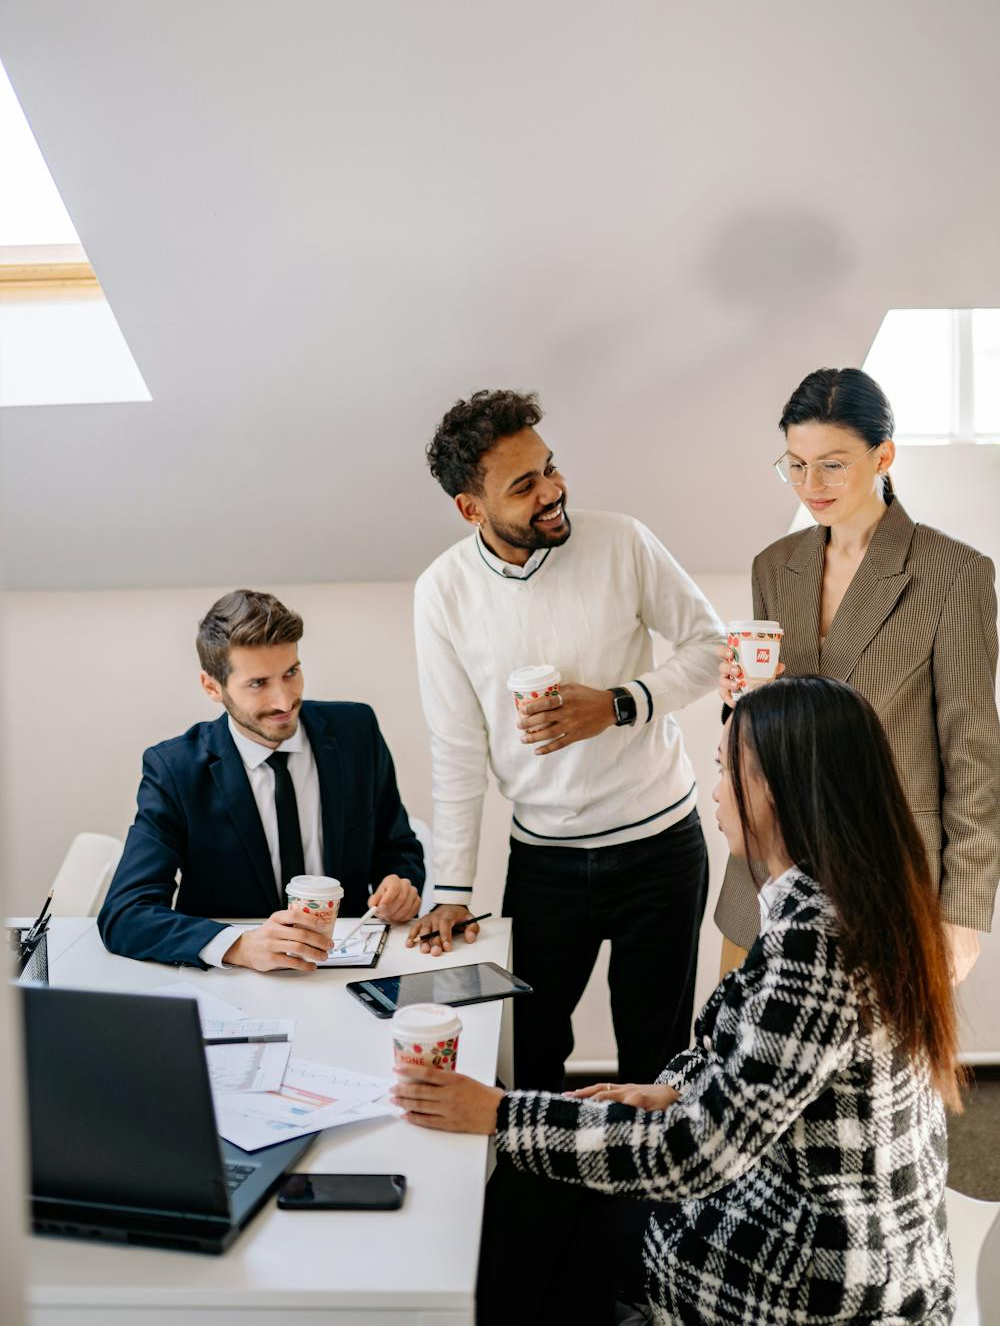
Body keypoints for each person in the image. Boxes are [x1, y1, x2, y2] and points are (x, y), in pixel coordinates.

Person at [393, 677, 961, 1326]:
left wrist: (500, 1113)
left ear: (776, 789)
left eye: (725, 770)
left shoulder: (817, 941)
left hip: (819, 1273)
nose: (714, 790)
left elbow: (691, 1157)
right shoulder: (852, 897)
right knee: (551, 1197)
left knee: (540, 1215)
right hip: (854, 1233)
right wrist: (668, 1091)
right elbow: (748, 1054)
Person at [411, 389, 723, 1090]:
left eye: (550, 468)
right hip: (546, 862)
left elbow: (710, 647)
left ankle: (653, 1203)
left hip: (661, 848)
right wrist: (451, 890)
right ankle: (545, 1196)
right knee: (531, 1048)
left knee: (658, 1053)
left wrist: (620, 704)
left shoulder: (623, 541)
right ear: (471, 509)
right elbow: (456, 747)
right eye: (525, 486)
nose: (553, 492)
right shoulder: (442, 593)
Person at [716, 367, 1000, 982]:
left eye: (832, 464)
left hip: (886, 874)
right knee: (736, 1065)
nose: (809, 484)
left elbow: (973, 750)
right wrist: (740, 701)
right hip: (769, 871)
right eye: (794, 464)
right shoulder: (776, 565)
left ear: (884, 456)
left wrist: (962, 915)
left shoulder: (955, 573)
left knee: (875, 1074)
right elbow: (765, 728)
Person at [98, 589, 424, 969]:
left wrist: (400, 883)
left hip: (345, 968)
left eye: (291, 673)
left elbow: (397, 846)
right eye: (258, 684)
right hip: (231, 989)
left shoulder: (357, 732)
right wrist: (237, 945)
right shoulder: (175, 769)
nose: (285, 701)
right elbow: (125, 914)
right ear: (212, 687)